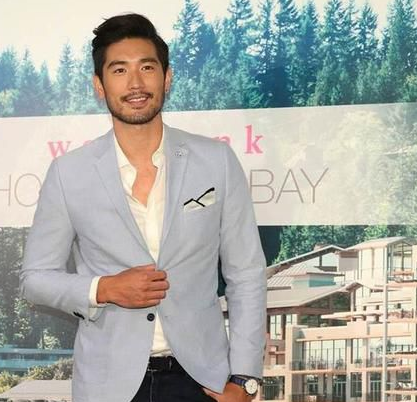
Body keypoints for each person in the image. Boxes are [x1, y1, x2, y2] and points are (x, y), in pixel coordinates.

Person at [20, 13, 266, 402]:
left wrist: (246, 379)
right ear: (99, 85)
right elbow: (35, 279)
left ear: (167, 78)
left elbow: (246, 273)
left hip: (203, 381)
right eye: (119, 70)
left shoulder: (216, 161)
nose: (135, 83)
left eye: (147, 68)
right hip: (108, 386)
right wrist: (105, 288)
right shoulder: (69, 173)